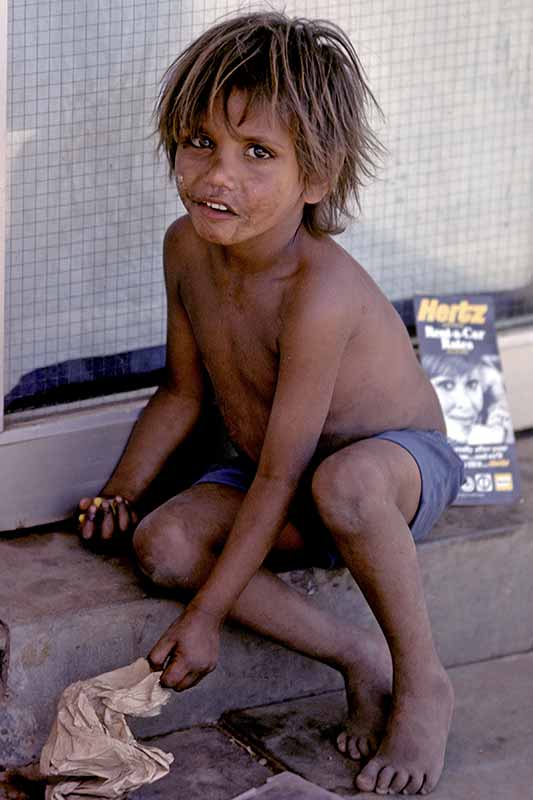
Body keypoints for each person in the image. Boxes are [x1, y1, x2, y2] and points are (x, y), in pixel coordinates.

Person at [77, 12, 464, 795]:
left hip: (387, 476)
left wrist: (207, 618)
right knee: (164, 546)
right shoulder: (185, 248)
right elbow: (182, 391)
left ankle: (423, 683)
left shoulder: (317, 294)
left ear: (316, 178)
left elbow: (288, 472)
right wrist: (119, 491)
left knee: (343, 483)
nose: (218, 176)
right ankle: (357, 656)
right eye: (199, 142)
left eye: (258, 153)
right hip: (273, 478)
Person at [422, 352, 514, 445]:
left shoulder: (492, 434)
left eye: (472, 385)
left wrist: (501, 440)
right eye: (447, 386)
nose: (467, 404)